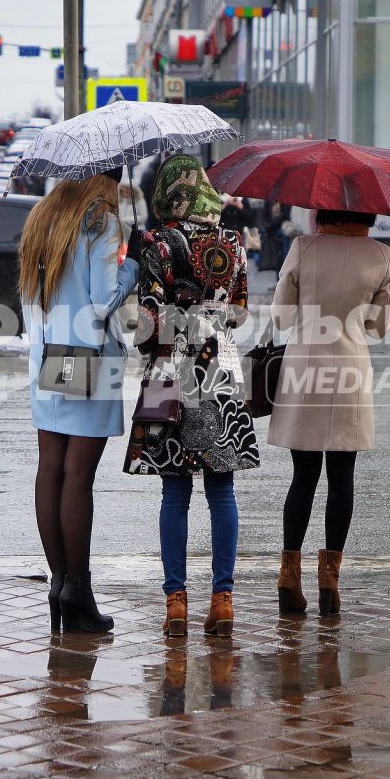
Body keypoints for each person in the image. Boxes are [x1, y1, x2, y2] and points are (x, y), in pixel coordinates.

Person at [125, 155, 258, 637]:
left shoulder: (156, 242)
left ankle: (175, 601)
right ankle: (223, 599)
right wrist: (213, 314)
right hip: (219, 365)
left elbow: (147, 320)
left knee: (174, 489)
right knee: (221, 488)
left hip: (166, 369)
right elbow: (241, 314)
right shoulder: (233, 242)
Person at [20, 174, 136, 634]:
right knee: (78, 476)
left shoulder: (44, 216)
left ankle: (59, 584)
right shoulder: (100, 220)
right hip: (88, 355)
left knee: (50, 469)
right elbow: (104, 301)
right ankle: (79, 593)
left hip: (47, 353)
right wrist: (133, 268)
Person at [269, 208, 390, 616]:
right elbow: (380, 327)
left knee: (302, 476)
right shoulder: (380, 255)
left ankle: (289, 578)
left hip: (304, 369)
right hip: (349, 370)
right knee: (342, 478)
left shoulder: (304, 248)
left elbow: (282, 316)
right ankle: (330, 583)